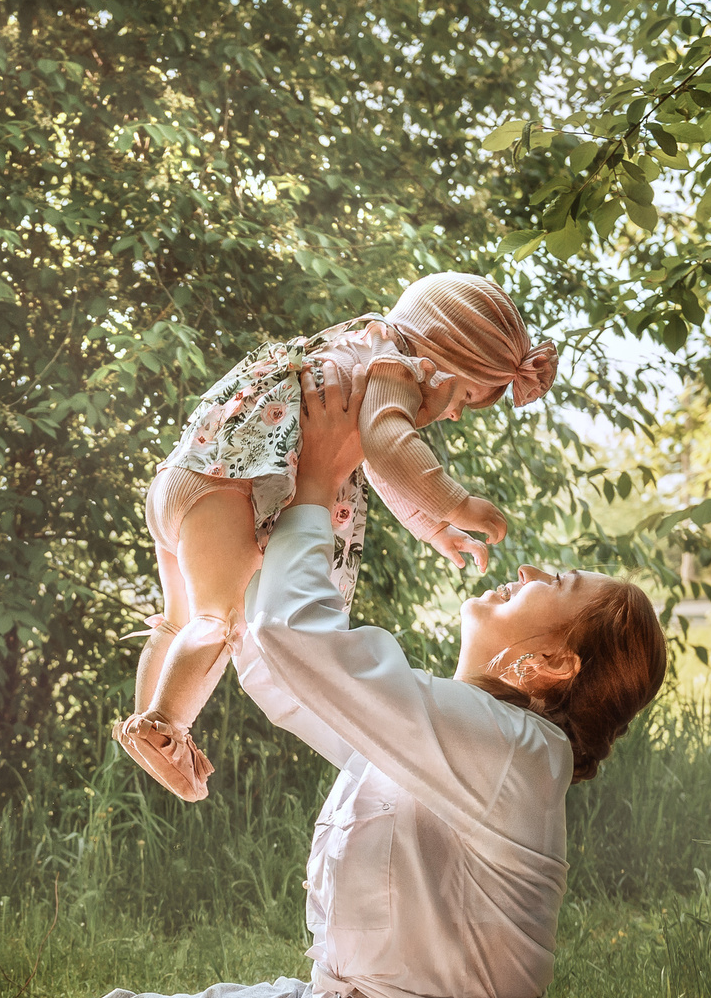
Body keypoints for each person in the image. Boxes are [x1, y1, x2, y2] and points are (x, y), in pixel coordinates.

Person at [26, 368, 667, 998]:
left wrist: (320, 487)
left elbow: (304, 642)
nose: (526, 569)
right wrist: (276, 510)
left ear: (546, 665)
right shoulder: (460, 728)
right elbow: (284, 667)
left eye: (551, 581)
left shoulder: (516, 753)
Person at [115, 272, 558, 802]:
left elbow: (378, 462)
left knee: (178, 621)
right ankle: (167, 726)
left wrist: (431, 527)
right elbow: (390, 446)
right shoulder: (394, 367)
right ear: (443, 353)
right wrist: (456, 504)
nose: (457, 412)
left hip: (187, 477)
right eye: (464, 394)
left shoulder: (361, 344)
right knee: (216, 620)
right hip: (226, 487)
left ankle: (143, 723)